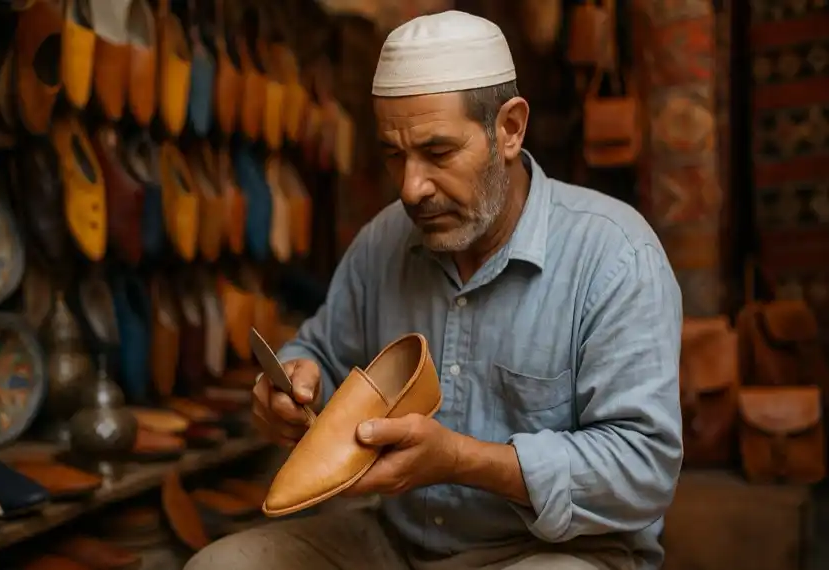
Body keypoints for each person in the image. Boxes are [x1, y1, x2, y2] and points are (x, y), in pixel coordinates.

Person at [186, 9, 683, 570]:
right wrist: (295, 384)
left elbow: (644, 470)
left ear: (510, 129)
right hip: (398, 545)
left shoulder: (615, 256)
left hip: (552, 550)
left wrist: (460, 460)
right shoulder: (383, 242)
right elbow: (321, 353)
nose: (411, 188)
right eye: (393, 155)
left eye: (438, 153)